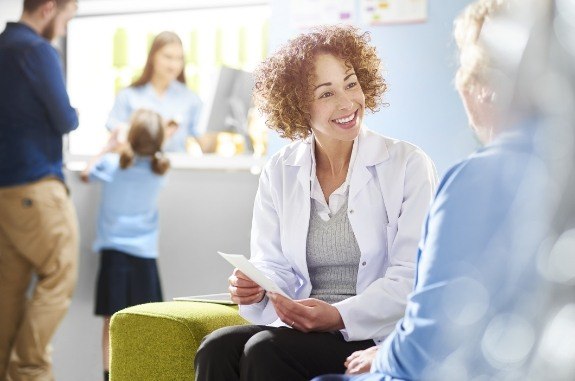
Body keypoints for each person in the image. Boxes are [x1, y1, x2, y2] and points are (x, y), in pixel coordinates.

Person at [313, 0, 560, 380]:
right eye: (325, 92)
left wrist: (386, 352)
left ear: (489, 88)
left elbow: (428, 343)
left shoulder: (474, 179)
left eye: (465, 66)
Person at [194, 25, 438, 381]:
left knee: (264, 350)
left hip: (371, 334)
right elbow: (273, 264)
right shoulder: (280, 170)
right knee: (216, 347)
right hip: (301, 328)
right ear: (296, 106)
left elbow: (411, 278)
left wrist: (338, 316)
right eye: (326, 94)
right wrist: (256, 287)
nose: (346, 103)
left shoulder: (407, 164)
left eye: (351, 84)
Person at [0, 0, 79, 379]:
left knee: (8, 292)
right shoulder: (35, 50)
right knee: (60, 273)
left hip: (5, 194)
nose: (63, 27)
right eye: (66, 17)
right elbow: (65, 118)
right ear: (49, 8)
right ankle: (29, 370)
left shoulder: (3, 46)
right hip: (37, 188)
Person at [81, 109, 170, 381]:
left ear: (129, 136)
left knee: (112, 322)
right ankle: (141, 374)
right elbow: (153, 149)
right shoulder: (160, 170)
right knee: (143, 321)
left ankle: (109, 375)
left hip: (114, 256)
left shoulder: (112, 165)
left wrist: (109, 146)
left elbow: (86, 174)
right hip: (145, 256)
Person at [106, 31, 202, 153]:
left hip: (176, 168)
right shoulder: (128, 96)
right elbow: (114, 138)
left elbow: (204, 142)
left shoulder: (190, 98)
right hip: (136, 167)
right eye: (168, 57)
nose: (174, 65)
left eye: (179, 59)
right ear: (153, 57)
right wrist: (152, 135)